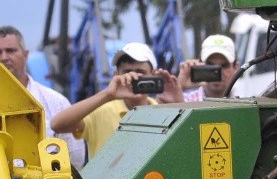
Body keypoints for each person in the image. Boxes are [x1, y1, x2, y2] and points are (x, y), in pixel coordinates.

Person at [51, 41, 184, 157]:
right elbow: (57, 125)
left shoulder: (163, 112)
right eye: (127, 72)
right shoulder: (101, 111)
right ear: (116, 75)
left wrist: (179, 105)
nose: (134, 77)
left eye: (140, 72)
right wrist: (108, 94)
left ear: (153, 75)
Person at [0, 26, 86, 169]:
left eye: (11, 50)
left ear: (25, 55)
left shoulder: (56, 103)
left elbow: (75, 161)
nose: (4, 57)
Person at [180, 34, 241, 102]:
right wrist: (180, 86)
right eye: (210, 65)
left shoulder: (247, 102)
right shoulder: (184, 101)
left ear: (236, 67)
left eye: (224, 65)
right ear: (199, 65)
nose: (217, 72)